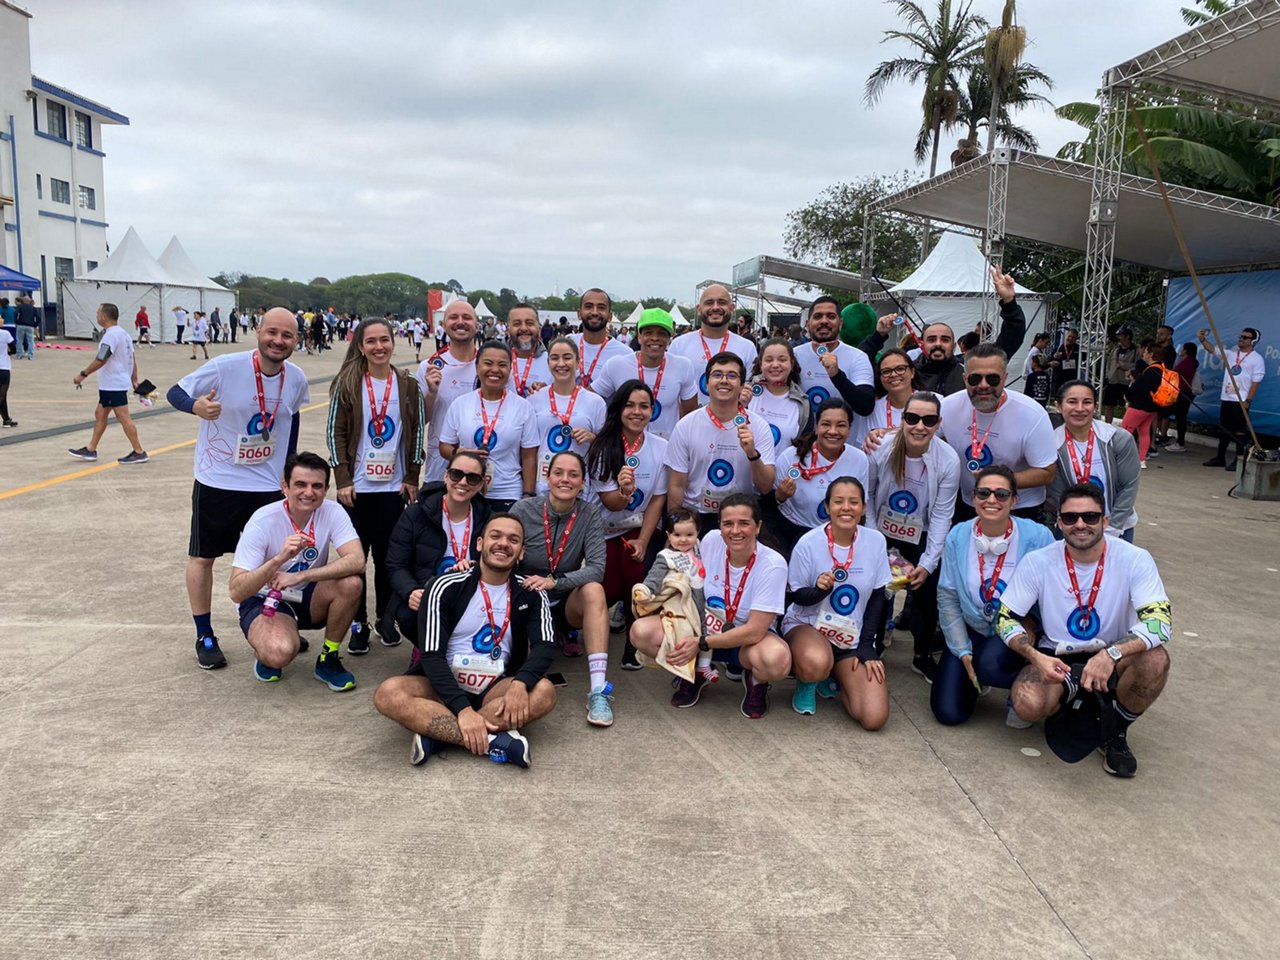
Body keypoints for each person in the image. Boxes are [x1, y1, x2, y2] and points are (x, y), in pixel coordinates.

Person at [167, 307, 311, 670]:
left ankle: (273, 620)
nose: (278, 341)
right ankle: (204, 633)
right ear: (258, 332)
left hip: (266, 483)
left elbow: (290, 421)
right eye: (272, 333)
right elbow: (175, 392)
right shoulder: (225, 366)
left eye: (287, 335)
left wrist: (288, 468)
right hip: (220, 480)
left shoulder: (295, 378)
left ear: (297, 340)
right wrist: (195, 406)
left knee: (271, 557)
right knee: (204, 556)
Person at [998, 483, 1172, 778]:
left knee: (1156, 659)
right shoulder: (1039, 561)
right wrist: (1034, 656)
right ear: (1059, 522)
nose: (1080, 524)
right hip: (1057, 655)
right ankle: (1073, 707)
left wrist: (1111, 654)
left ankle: (1115, 731)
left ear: (1105, 521)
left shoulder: (1135, 559)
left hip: (1113, 653)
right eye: (1070, 518)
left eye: (1090, 517)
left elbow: (1160, 622)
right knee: (1026, 705)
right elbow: (1005, 618)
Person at [373, 513, 559, 769]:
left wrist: (520, 683)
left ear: (522, 552)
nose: (504, 543)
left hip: (496, 687)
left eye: (513, 539)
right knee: (388, 693)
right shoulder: (445, 585)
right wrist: (462, 709)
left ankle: (439, 737)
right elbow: (431, 654)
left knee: (544, 691)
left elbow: (545, 646)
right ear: (480, 543)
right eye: (496, 536)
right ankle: (494, 740)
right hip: (443, 687)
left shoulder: (532, 592)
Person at [632, 494, 790, 718]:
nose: (735, 530)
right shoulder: (711, 540)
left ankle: (756, 680)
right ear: (720, 526)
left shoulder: (773, 564)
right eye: (728, 523)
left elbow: (756, 630)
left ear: (758, 527)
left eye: (744, 523)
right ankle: (692, 673)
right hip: (704, 628)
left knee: (777, 661)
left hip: (746, 642)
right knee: (642, 633)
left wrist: (702, 643)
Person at [325, 317, 426, 654]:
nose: (379, 347)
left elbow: (417, 433)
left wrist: (412, 476)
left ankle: (386, 618)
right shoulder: (348, 382)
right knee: (355, 560)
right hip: (355, 489)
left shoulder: (408, 385)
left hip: (393, 488)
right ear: (360, 346)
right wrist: (342, 479)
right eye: (371, 341)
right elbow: (335, 432)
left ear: (393, 342)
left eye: (384, 339)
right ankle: (358, 623)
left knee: (388, 559)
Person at [228, 452, 364, 690]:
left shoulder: (332, 511)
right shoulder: (262, 521)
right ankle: (270, 645)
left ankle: (328, 659)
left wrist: (301, 576)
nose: (309, 492)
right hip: (266, 598)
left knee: (351, 583)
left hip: (308, 594)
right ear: (285, 486)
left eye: (317, 486)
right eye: (300, 484)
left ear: (326, 489)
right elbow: (237, 591)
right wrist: (278, 559)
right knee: (278, 653)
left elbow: (357, 561)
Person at [934, 466, 1054, 727]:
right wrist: (962, 650)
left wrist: (1032, 625)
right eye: (984, 493)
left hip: (1015, 630)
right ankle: (977, 670)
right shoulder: (958, 535)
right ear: (974, 497)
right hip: (972, 627)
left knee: (990, 664)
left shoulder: (1038, 536)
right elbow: (948, 596)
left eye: (1001, 494)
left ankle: (1028, 683)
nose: (991, 500)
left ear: (1014, 500)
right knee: (948, 713)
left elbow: (1052, 591)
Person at [508, 453, 612, 724]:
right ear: (548, 476)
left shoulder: (589, 514)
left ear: (582, 482)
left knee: (594, 590)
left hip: (564, 600)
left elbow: (597, 568)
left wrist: (557, 582)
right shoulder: (523, 509)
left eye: (573, 475)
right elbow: (504, 558)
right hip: (528, 597)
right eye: (559, 473)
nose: (565, 479)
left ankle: (599, 690)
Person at [865, 391, 961, 681]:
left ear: (938, 424)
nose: (920, 426)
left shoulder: (948, 460)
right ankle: (874, 645)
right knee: (878, 589)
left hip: (922, 532)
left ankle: (921, 655)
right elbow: (867, 495)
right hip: (881, 528)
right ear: (902, 419)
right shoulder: (880, 447)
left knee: (927, 592)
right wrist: (874, 542)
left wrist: (929, 563)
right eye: (912, 418)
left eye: (929, 420)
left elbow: (943, 514)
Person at [782, 478, 892, 727]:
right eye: (838, 501)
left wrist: (867, 645)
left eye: (854, 502)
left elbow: (878, 597)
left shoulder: (876, 541)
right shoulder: (808, 542)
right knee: (816, 661)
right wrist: (820, 590)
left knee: (874, 718)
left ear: (863, 507)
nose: (846, 508)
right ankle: (809, 679)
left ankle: (837, 676)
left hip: (849, 637)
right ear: (827, 506)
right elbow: (795, 596)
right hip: (808, 626)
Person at [586, 379, 669, 663]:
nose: (637, 412)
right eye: (630, 405)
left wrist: (644, 541)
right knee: (607, 587)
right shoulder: (602, 446)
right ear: (619, 409)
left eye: (644, 406)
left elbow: (658, 498)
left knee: (637, 577)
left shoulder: (661, 447)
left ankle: (633, 644)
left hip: (638, 526)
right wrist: (623, 492)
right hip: (601, 530)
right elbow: (611, 503)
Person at [937, 343, 1058, 522]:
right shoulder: (948, 407)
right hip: (969, 504)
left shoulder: (1031, 413)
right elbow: (920, 433)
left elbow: (1047, 472)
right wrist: (885, 433)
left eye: (992, 379)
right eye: (975, 379)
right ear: (965, 378)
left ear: (1005, 378)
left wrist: (997, 482)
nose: (983, 385)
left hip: (1019, 507)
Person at [859, 268, 1027, 396]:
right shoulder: (908, 373)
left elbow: (1010, 340)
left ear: (954, 346)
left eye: (945, 339)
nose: (938, 344)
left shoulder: (967, 370)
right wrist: (878, 336)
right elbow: (860, 367)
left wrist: (1009, 302)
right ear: (922, 343)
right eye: (932, 339)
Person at [384, 451, 492, 645]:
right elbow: (396, 564)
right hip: (428, 589)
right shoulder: (416, 514)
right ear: (445, 476)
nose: (463, 482)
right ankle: (425, 649)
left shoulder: (488, 518)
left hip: (470, 591)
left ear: (482, 483)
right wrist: (411, 591)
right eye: (456, 474)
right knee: (409, 612)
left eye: (473, 478)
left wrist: (479, 567)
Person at [665, 352, 777, 535]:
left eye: (732, 376)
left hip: (740, 518)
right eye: (717, 375)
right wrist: (673, 531)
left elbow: (765, 486)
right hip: (697, 516)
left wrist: (752, 454)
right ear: (707, 384)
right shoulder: (685, 425)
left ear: (741, 386)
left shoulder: (758, 426)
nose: (724, 380)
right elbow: (677, 484)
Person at [438, 341, 540, 511]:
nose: (495, 370)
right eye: (488, 363)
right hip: (467, 489)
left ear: (510, 369)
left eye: (502, 365)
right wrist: (457, 453)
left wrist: (528, 495)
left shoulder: (523, 407)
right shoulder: (461, 404)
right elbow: (444, 446)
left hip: (507, 492)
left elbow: (529, 456)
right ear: (477, 367)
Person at [772, 398, 869, 553]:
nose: (833, 431)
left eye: (841, 425)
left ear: (850, 429)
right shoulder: (790, 457)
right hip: (794, 531)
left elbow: (861, 505)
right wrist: (780, 496)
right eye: (826, 424)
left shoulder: (859, 459)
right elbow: (770, 505)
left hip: (839, 533)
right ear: (816, 427)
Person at [633, 509, 710, 701]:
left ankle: (704, 667)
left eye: (689, 535)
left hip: (706, 601)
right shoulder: (666, 556)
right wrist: (645, 591)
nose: (683, 540)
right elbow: (654, 577)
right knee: (683, 636)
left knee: (709, 630)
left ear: (698, 533)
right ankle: (684, 672)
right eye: (677, 535)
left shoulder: (701, 548)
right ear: (668, 535)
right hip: (682, 608)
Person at [1048, 381, 1141, 541]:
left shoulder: (1117, 439)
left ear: (1095, 406)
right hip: (1072, 528)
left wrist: (1112, 529)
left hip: (1118, 529)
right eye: (1072, 402)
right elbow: (1057, 495)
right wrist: (1074, 525)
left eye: (1087, 402)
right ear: (1058, 406)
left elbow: (1129, 487)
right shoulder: (1051, 445)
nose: (1079, 408)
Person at [588, 308, 698, 440]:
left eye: (662, 334)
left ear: (670, 338)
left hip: (666, 450)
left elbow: (690, 413)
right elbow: (587, 400)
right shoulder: (617, 365)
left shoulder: (683, 366)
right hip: (624, 449)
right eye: (648, 333)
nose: (655, 338)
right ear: (639, 337)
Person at [67, 303, 148, 464]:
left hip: (113, 384)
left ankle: (139, 451)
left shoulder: (110, 336)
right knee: (100, 414)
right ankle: (91, 449)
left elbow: (101, 358)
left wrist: (83, 374)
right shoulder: (123, 334)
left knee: (123, 417)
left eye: (98, 313)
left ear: (104, 316)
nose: (96, 315)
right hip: (114, 383)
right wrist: (134, 379)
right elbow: (132, 358)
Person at [526, 337, 607, 494]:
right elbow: (528, 450)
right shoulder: (534, 398)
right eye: (555, 358)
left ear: (578, 362)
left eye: (567, 357)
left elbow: (607, 446)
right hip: (542, 488)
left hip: (578, 490)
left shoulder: (595, 402)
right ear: (548, 363)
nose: (561, 364)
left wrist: (592, 437)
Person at [417, 299, 479, 485]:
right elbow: (422, 420)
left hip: (481, 467)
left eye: (467, 317)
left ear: (476, 325)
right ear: (443, 325)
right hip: (440, 468)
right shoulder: (428, 367)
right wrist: (431, 393)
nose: (460, 322)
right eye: (453, 317)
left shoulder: (490, 367)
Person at [668, 284, 759, 405]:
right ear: (699, 309)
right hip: (689, 422)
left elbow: (751, 392)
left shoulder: (747, 347)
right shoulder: (679, 345)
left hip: (731, 422)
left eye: (722, 302)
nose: (715, 307)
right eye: (709, 303)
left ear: (732, 308)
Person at [793, 296, 876, 419]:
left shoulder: (858, 357)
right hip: (802, 438)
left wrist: (836, 375)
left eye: (831, 316)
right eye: (818, 316)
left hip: (844, 438)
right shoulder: (793, 355)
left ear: (840, 323)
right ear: (808, 324)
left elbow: (865, 407)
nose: (824, 321)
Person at [1200, 326, 1265, 470]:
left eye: (1245, 337)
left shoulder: (1257, 359)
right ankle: (1220, 457)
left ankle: (1239, 460)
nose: (1241, 339)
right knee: (1224, 429)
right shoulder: (1231, 354)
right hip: (1227, 397)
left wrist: (1248, 400)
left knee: (1239, 431)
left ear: (1253, 341)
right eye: (1241, 336)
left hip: (1240, 400)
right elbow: (1213, 350)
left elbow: (1256, 382)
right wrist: (1203, 339)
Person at [743, 337, 811, 453]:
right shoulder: (745, 392)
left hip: (782, 470)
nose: (775, 365)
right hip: (744, 469)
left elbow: (803, 448)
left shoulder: (802, 403)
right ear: (760, 364)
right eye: (769, 360)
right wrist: (739, 406)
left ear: (792, 363)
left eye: (782, 360)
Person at [852, 348, 925, 448]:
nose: (894, 374)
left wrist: (889, 432)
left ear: (912, 372)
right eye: (886, 371)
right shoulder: (873, 410)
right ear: (881, 378)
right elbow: (862, 447)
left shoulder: (934, 402)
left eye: (900, 369)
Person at [1120, 341, 1176, 469]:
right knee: (1144, 432)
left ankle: (1122, 458)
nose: (1143, 354)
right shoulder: (1162, 369)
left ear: (1151, 354)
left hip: (1139, 406)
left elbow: (1138, 388)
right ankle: (1142, 459)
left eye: (1145, 352)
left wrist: (1127, 396)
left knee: (1125, 432)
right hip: (1152, 407)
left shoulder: (1150, 371)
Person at [572, 288, 631, 389]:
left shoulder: (625, 354)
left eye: (601, 307)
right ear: (579, 313)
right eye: (589, 306)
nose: (594, 312)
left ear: (610, 316)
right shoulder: (568, 343)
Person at [506, 303, 552, 397]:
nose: (523, 328)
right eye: (517, 324)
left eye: (529, 323)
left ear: (539, 329)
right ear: (508, 330)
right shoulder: (495, 362)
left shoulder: (553, 363)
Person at [1166, 342, 1200, 453]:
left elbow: (1174, 372)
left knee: (1180, 417)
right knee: (1180, 417)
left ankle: (1180, 442)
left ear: (1185, 350)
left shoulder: (1187, 362)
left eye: (1183, 349)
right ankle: (1179, 441)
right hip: (1186, 392)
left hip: (1182, 391)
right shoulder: (1193, 362)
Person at [1102, 329, 1137, 422]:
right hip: (1113, 380)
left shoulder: (1135, 350)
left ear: (1127, 337)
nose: (1119, 338)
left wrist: (1123, 366)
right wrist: (1108, 375)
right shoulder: (1116, 349)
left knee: (1125, 406)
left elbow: (1138, 365)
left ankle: (1126, 427)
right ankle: (1107, 426)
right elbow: (1109, 362)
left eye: (1120, 335)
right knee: (1109, 405)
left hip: (1126, 382)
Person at [1049, 328, 1080, 396]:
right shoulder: (1058, 348)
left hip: (1072, 377)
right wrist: (1054, 357)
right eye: (1069, 336)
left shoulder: (1079, 349)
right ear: (1066, 335)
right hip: (1059, 377)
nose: (1070, 339)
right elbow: (1050, 362)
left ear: (1076, 339)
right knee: (1059, 396)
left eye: (1073, 337)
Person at [14, 296, 40, 360]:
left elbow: (16, 314)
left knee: (19, 340)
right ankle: (30, 355)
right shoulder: (33, 308)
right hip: (30, 326)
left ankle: (20, 354)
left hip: (21, 325)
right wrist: (35, 324)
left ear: (23, 300)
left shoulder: (20, 306)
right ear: (29, 301)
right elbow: (38, 317)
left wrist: (16, 321)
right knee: (30, 341)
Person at [0, 322, 15, 426]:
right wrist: (8, 353)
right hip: (3, 368)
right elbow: (13, 349)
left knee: (2, 396)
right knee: (2, 395)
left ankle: (6, 419)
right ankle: (6, 419)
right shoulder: (5, 334)